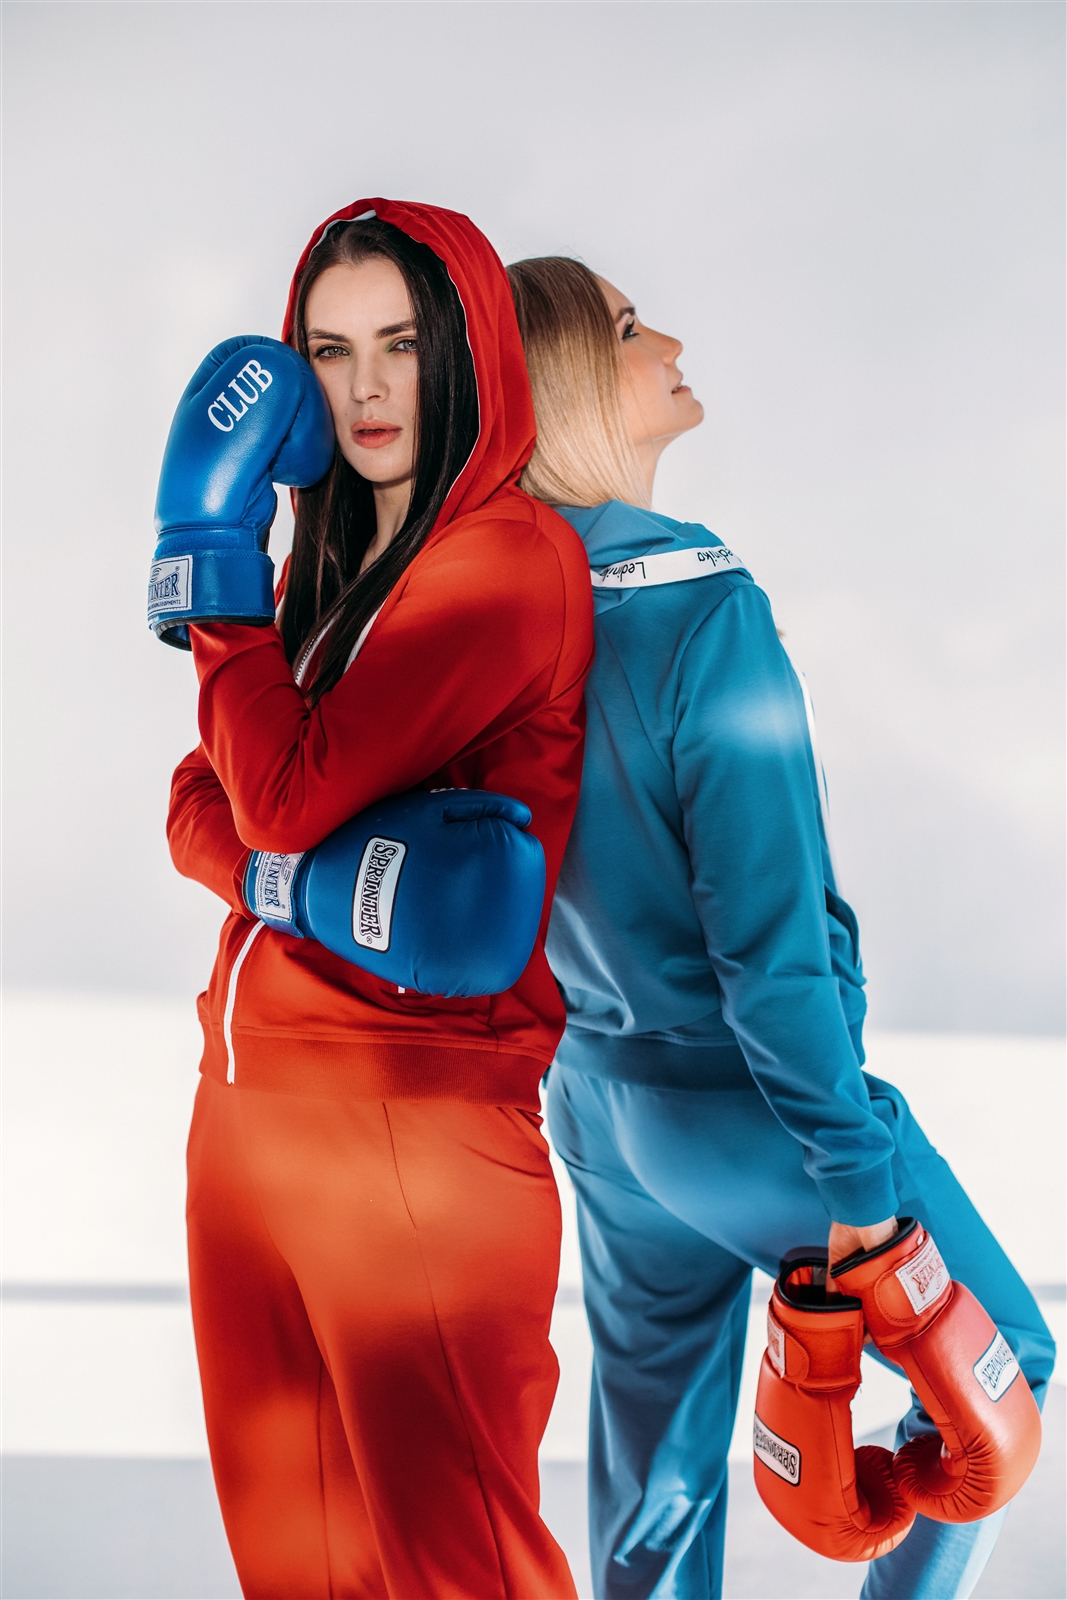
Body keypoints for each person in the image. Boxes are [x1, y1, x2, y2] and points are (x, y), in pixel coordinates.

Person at [506, 255, 1055, 1600]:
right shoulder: (703, 615)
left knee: (658, 1457)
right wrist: (856, 1181)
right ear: (566, 388)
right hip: (749, 1108)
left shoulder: (495, 621)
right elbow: (770, 945)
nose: (669, 340)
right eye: (628, 328)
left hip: (599, 1104)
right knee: (998, 1373)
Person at [164, 201, 593, 1600]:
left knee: (461, 1573)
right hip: (248, 1114)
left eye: (400, 345)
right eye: (330, 350)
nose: (364, 389)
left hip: (411, 1133)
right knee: (296, 1570)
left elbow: (273, 797)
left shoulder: (508, 563)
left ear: (467, 352)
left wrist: (207, 556)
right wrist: (297, 881)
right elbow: (194, 802)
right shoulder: (327, 564)